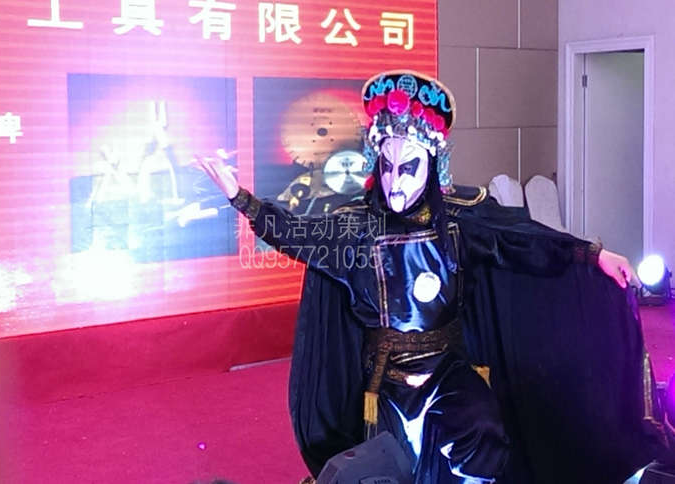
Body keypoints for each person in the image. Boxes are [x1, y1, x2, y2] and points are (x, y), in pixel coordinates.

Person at [199, 70, 672, 483]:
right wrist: (241, 198)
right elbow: (295, 234)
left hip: (448, 370)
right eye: (387, 167)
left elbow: (525, 240)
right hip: (385, 380)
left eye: (408, 168)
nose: (395, 181)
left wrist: (593, 255)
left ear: (432, 166)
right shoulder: (354, 228)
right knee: (385, 463)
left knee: (482, 433)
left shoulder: (461, 219)